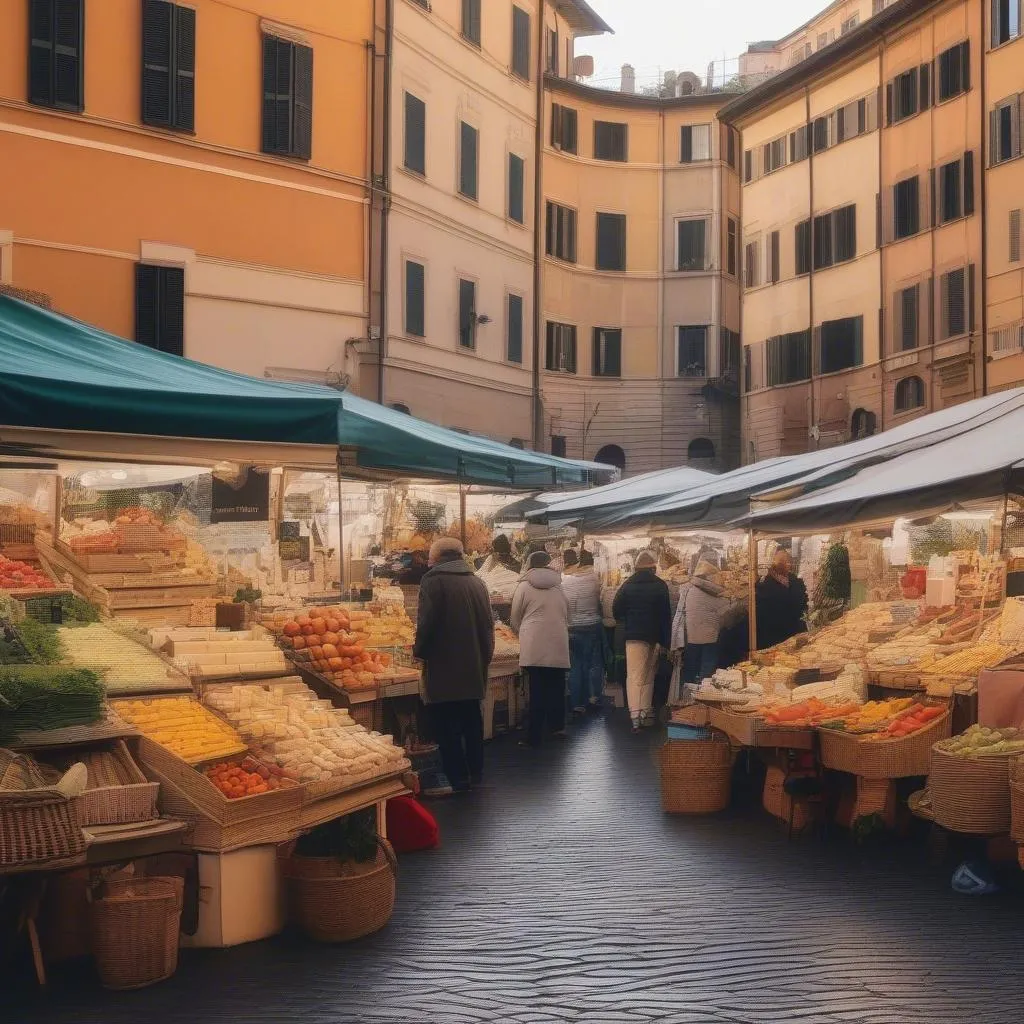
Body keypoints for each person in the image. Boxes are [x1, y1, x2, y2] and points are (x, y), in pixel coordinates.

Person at [413, 538, 495, 793]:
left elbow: (426, 624)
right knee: (471, 720)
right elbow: (488, 626)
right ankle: (476, 770)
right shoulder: (477, 583)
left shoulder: (432, 582)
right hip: (472, 664)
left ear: (435, 558)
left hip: (443, 665)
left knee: (446, 724)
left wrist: (420, 652)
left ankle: (457, 777)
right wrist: (484, 657)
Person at [511, 550, 570, 747]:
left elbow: (515, 617)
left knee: (537, 689)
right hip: (558, 642)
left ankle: (534, 735)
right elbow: (567, 613)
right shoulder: (559, 587)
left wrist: (523, 633)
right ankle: (557, 727)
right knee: (557, 687)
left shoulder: (524, 587)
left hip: (534, 643)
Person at [612, 552, 672, 732]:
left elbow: (616, 609)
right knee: (648, 676)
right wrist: (666, 641)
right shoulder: (661, 585)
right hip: (654, 636)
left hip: (633, 636)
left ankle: (635, 715)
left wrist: (628, 619)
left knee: (634, 676)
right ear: (653, 567)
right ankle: (645, 711)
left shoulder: (627, 585)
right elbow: (665, 615)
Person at [671, 560, 732, 688]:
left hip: (692, 638)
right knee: (707, 675)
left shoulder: (690, 590)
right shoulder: (711, 594)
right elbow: (728, 611)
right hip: (710, 639)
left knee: (691, 672)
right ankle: (703, 699)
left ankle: (687, 699)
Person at [562, 549, 604, 715]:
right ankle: (593, 696)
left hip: (571, 627)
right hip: (591, 626)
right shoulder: (594, 578)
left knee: (575, 665)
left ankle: (577, 702)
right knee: (593, 663)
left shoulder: (564, 580)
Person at [755, 548, 809, 650]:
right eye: (784, 562)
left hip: (795, 631)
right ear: (775, 564)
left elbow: (803, 601)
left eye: (789, 561)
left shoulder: (796, 580)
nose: (788, 564)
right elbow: (762, 612)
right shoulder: (764, 584)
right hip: (773, 635)